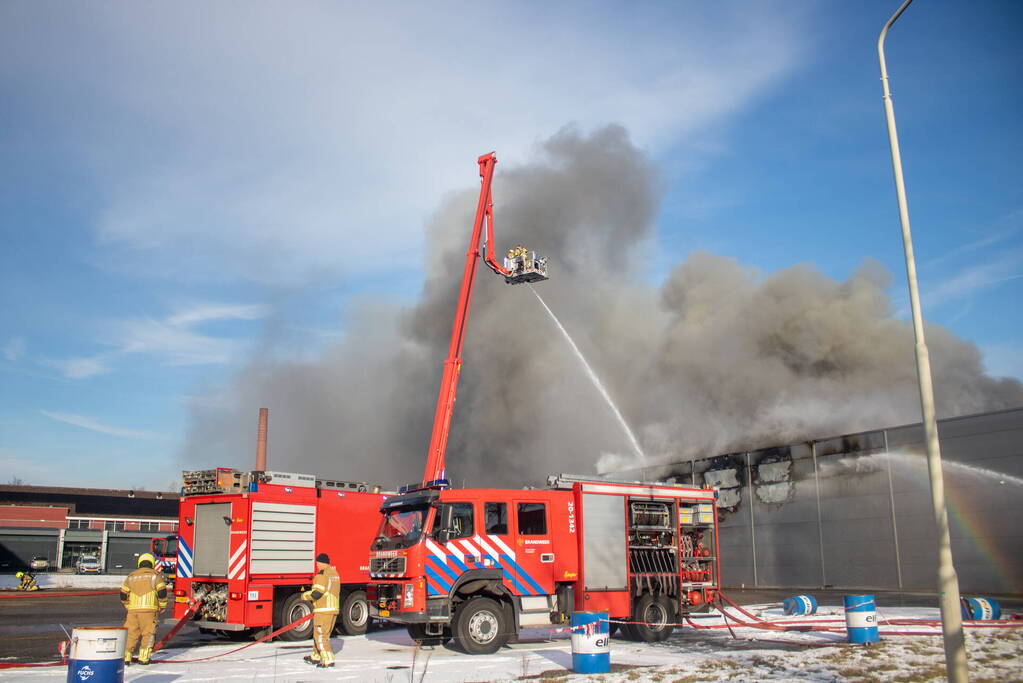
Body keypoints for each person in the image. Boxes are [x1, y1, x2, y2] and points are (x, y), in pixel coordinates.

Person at [120, 552, 168, 666]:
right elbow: (162, 592)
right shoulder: (155, 575)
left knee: (131, 634)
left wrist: (128, 606)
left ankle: (126, 658)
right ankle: (144, 658)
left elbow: (123, 594)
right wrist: (163, 605)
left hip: (133, 611)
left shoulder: (131, 576)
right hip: (149, 610)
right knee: (148, 634)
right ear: (151, 563)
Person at [301, 553, 340, 668]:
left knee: (321, 636)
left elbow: (317, 593)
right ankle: (315, 656)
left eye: (317, 563)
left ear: (322, 563)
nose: (316, 565)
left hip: (323, 610)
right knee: (320, 634)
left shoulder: (321, 575)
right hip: (333, 609)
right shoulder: (334, 573)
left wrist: (304, 596)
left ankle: (328, 660)